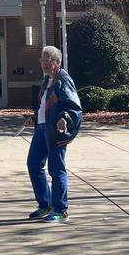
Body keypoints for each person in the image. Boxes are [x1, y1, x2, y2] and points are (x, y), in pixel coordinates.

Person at [27, 45, 82, 224]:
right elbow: (45, 105)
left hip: (55, 131)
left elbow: (72, 106)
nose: (44, 63)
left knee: (56, 169)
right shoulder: (47, 80)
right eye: (42, 60)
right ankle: (46, 204)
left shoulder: (62, 80)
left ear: (57, 62)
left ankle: (61, 209)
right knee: (34, 164)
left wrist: (64, 119)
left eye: (48, 60)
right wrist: (35, 116)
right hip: (42, 128)